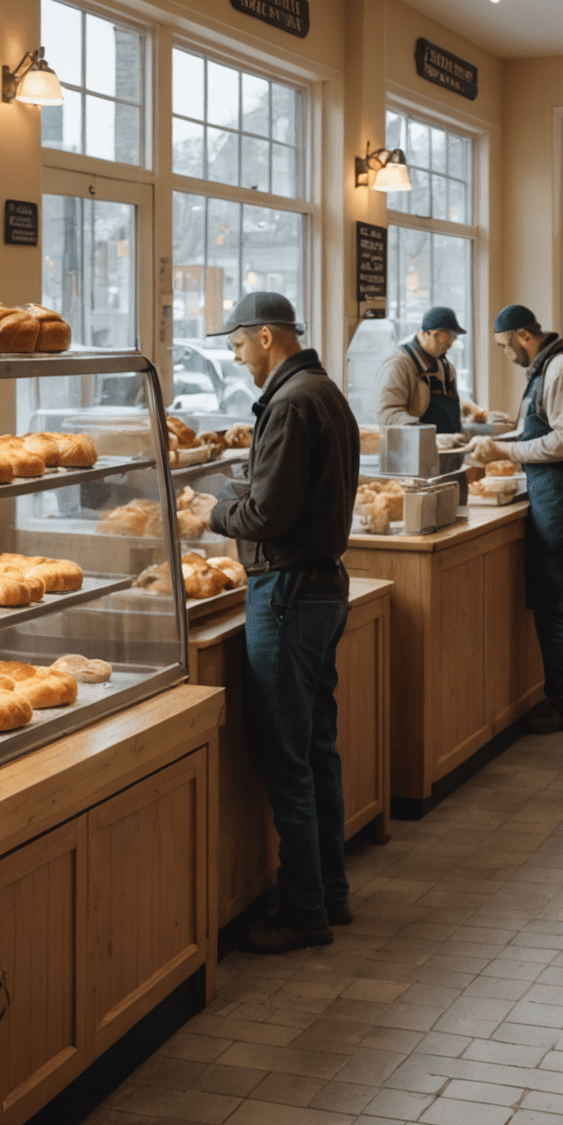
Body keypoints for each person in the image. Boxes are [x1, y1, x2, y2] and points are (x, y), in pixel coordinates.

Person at [207, 291, 361, 954]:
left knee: (285, 757)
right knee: (316, 748)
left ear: (266, 337)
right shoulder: (321, 389)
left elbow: (267, 516)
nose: (237, 359)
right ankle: (330, 889)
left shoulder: (292, 402)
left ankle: (303, 910)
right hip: (320, 588)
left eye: (238, 346)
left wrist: (206, 514)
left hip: (288, 594)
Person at [469, 304, 563, 734]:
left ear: (525, 335)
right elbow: (537, 431)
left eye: (507, 346)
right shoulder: (548, 368)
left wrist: (504, 451)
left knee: (552, 601)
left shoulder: (560, 369)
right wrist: (500, 443)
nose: (508, 355)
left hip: (561, 493)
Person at [375, 306, 467, 431]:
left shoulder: (447, 369)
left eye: (453, 337)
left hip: (450, 447)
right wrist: (425, 434)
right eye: (443, 337)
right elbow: (388, 414)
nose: (450, 343)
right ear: (424, 334)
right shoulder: (398, 366)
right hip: (413, 447)